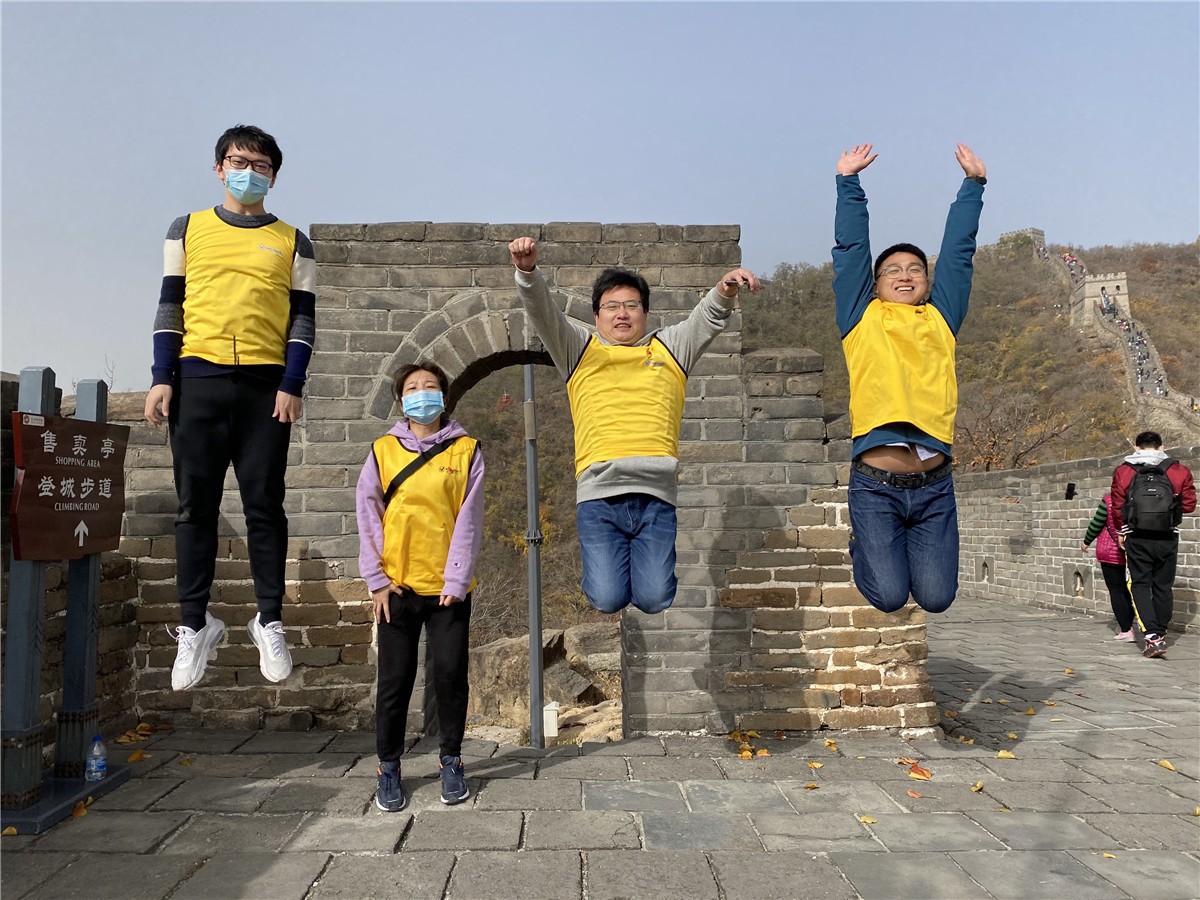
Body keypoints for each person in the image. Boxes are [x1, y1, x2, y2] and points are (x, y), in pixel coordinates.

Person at [144, 125, 315, 691]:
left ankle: (269, 619)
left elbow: (303, 317)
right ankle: (195, 624)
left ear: (274, 176)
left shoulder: (293, 241)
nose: (249, 173)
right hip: (198, 380)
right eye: (239, 162)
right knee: (195, 508)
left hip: (267, 389)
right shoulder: (187, 228)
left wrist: (292, 383)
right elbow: (170, 305)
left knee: (265, 506)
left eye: (261, 166)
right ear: (219, 168)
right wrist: (161, 377)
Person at [508, 237, 759, 614]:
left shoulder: (669, 349)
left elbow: (704, 321)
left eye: (631, 305)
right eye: (611, 306)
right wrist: (527, 272)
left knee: (655, 598)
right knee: (607, 598)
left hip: (655, 495)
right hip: (599, 496)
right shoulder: (580, 351)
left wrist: (724, 290)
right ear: (597, 317)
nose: (622, 314)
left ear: (645, 313)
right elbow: (544, 313)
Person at [832, 142, 986, 614]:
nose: (905, 275)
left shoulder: (941, 318)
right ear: (876, 283)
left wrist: (973, 186)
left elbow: (959, 255)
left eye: (915, 269)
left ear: (927, 281)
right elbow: (851, 252)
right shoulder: (860, 317)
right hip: (875, 486)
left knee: (937, 598)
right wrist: (848, 183)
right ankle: (861, 543)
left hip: (935, 487)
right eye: (892, 270)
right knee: (889, 596)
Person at [355, 362, 484, 810]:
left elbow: (469, 519)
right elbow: (368, 515)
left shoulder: (466, 450)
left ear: (444, 396)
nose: (422, 392)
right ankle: (388, 766)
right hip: (397, 588)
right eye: (413, 387)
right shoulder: (382, 451)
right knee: (394, 681)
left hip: (448, 589)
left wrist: (458, 577)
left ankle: (451, 759)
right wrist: (376, 580)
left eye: (430, 386)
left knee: (450, 676)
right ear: (401, 400)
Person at [1109, 431, 1196, 658]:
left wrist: (1121, 531)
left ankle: (1151, 636)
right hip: (1167, 535)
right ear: (1162, 447)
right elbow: (1189, 505)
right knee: (1163, 585)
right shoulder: (1179, 470)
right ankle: (1161, 631)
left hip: (1137, 535)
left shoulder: (1124, 471)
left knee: (1139, 584)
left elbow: (1117, 506)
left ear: (1136, 447)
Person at [1079, 494, 1135, 641]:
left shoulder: (1109, 500)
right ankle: (1129, 624)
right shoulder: (1140, 497)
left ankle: (1126, 629)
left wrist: (1086, 542)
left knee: (1117, 591)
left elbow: (1096, 524)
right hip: (1135, 552)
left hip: (1111, 552)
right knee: (1130, 590)